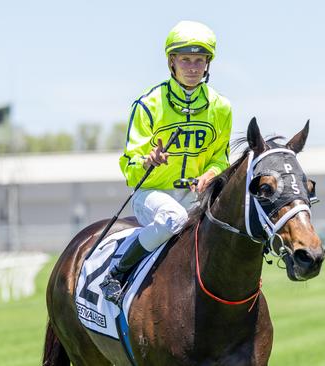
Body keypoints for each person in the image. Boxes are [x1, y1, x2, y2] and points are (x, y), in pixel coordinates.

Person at [100, 21, 232, 304]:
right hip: (152, 194)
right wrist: (149, 161)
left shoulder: (221, 107)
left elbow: (221, 156)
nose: (193, 67)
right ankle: (117, 271)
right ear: (172, 62)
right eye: (185, 59)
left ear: (208, 63)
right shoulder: (148, 104)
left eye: (200, 60)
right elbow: (129, 166)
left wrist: (211, 173)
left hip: (195, 195)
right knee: (173, 219)